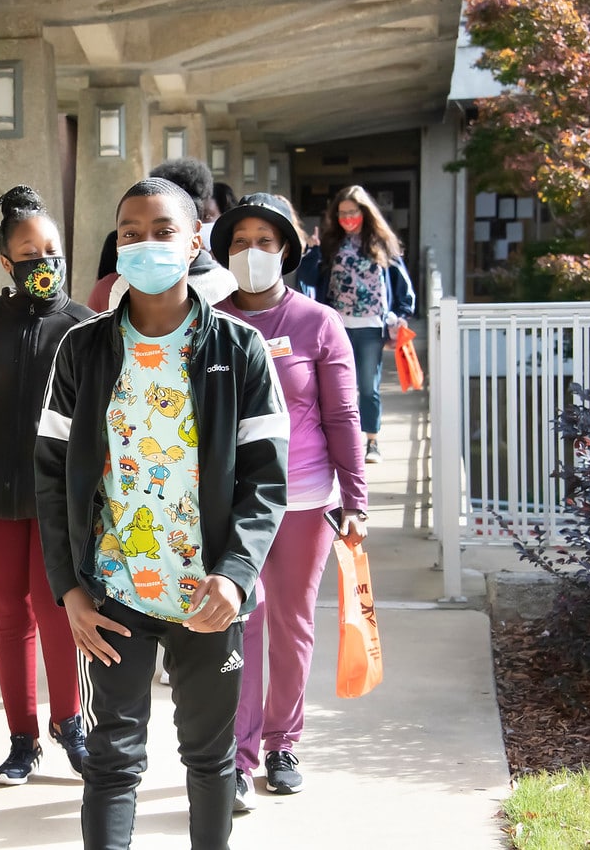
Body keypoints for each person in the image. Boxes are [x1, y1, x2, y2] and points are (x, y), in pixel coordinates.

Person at [34, 177, 289, 850]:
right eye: (129, 233)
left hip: (207, 596)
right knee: (111, 765)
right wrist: (69, 590)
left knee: (209, 761)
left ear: (195, 242)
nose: (144, 243)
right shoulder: (82, 351)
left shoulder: (238, 350)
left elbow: (266, 482)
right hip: (112, 595)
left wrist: (233, 576)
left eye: (162, 230)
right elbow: (51, 475)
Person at [210, 193, 368, 809]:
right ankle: (239, 757)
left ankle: (284, 743)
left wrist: (354, 497)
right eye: (242, 241)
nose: (253, 252)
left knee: (291, 627)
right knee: (242, 625)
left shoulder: (317, 323)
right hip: (235, 504)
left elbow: (344, 415)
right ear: (227, 252)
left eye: (266, 242)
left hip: (306, 500)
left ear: (286, 251)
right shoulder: (210, 322)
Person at [0, 185, 92, 784]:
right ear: (7, 261)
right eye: (29, 252)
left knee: (59, 612)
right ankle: (21, 738)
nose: (43, 262)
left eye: (51, 250)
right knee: (10, 615)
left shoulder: (85, 327)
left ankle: (70, 725)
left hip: (59, 504)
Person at [299, 185, 415, 463]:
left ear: (364, 213)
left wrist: (400, 314)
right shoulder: (331, 243)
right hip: (337, 326)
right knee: (338, 387)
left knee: (368, 385)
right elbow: (308, 280)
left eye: (353, 212)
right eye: (342, 214)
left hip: (372, 327)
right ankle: (340, 440)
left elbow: (403, 285)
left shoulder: (381, 242)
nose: (347, 218)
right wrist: (313, 252)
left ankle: (371, 441)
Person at [88, 158, 237, 312]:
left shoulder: (222, 285)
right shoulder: (121, 287)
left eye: (164, 232)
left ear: (194, 236)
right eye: (132, 233)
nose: (148, 243)